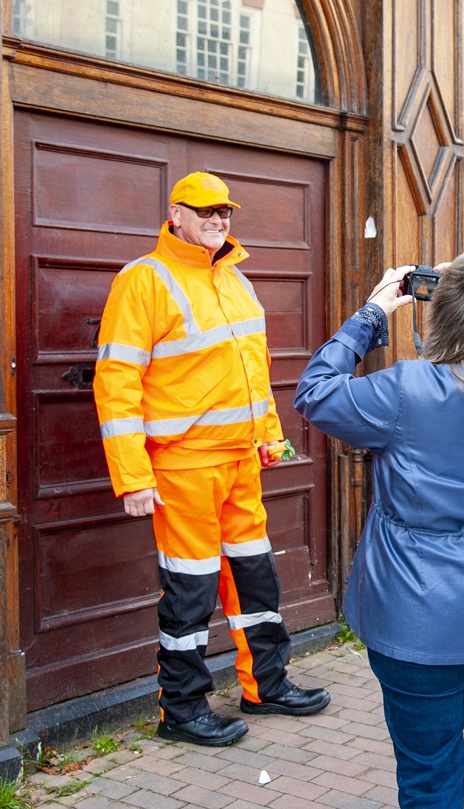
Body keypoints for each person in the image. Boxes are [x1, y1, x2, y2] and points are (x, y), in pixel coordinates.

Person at [294, 247, 464, 809]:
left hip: (420, 617)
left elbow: (315, 393)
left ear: (445, 313)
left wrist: (372, 315)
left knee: (428, 779)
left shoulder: (405, 391)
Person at [93, 172, 331, 747]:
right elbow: (117, 379)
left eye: (224, 211)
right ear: (175, 214)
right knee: (192, 589)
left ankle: (266, 685)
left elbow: (255, 373)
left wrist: (271, 438)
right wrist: (132, 476)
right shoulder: (144, 280)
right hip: (183, 467)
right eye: (204, 211)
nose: (217, 219)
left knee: (256, 578)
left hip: (241, 463)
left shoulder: (235, 281)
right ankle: (181, 712)